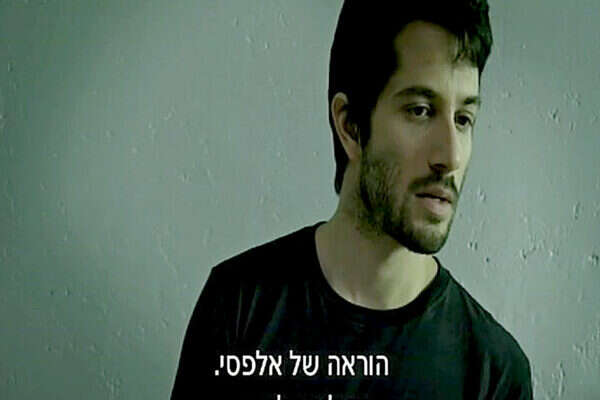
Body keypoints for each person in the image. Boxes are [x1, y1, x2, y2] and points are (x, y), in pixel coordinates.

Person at [171, 1, 533, 398]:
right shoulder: (240, 306)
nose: (451, 155)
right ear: (350, 125)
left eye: (463, 119)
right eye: (420, 110)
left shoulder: (494, 373)